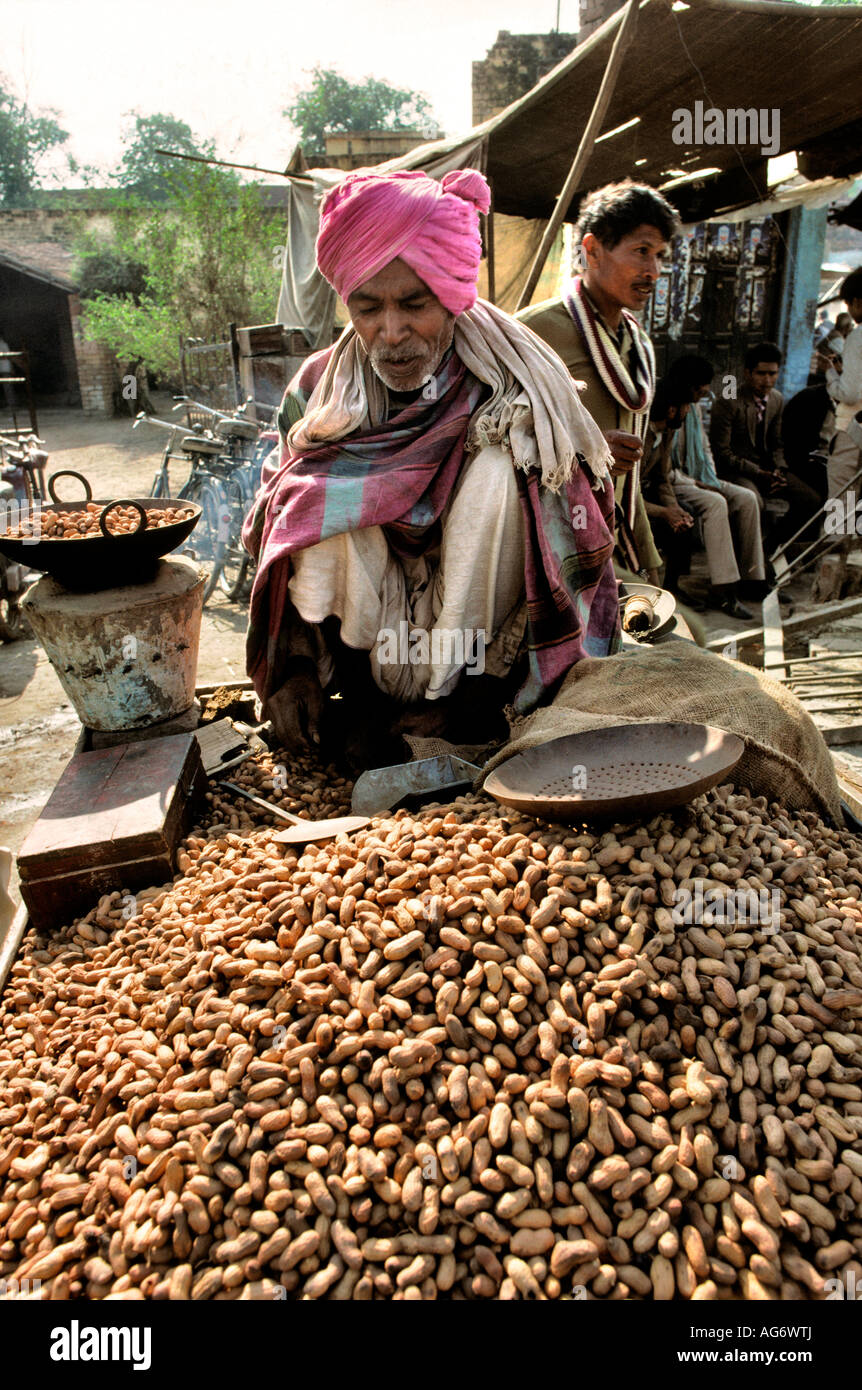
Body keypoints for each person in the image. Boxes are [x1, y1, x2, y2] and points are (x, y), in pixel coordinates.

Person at [243, 167, 620, 769]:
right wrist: (293, 669)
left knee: (508, 461)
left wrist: (478, 698)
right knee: (318, 487)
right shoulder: (319, 390)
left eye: (414, 305)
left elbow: (566, 530)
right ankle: (365, 704)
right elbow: (276, 526)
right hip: (369, 648)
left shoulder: (511, 378)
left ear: (451, 294)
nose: (391, 334)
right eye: (367, 309)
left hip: (479, 650)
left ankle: (467, 705)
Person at [518, 180, 679, 588]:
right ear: (592, 250)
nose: (653, 272)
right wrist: (584, 450)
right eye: (641, 252)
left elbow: (628, 482)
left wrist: (648, 557)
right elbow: (488, 441)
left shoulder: (637, 344)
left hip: (618, 535)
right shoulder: (533, 333)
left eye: (660, 256)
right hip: (550, 541)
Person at [666, 354, 766, 617]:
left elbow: (705, 448)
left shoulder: (694, 409)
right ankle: (724, 589)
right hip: (673, 481)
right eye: (702, 385)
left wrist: (710, 480)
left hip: (699, 477)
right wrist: (698, 484)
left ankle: (752, 579)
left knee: (746, 498)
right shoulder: (666, 406)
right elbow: (662, 467)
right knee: (715, 503)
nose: (707, 390)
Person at [709, 341, 820, 547]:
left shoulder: (776, 399)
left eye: (773, 374)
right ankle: (748, 557)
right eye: (761, 374)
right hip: (736, 471)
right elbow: (721, 452)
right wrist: (758, 472)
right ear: (747, 373)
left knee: (810, 500)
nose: (768, 381)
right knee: (754, 503)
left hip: (768, 471)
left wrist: (780, 470)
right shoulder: (729, 399)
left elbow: (777, 444)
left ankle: (771, 548)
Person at [639, 377, 697, 597]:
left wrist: (675, 511)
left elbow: (662, 478)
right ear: (672, 410)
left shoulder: (668, 431)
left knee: (686, 515)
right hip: (628, 502)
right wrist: (664, 513)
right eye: (686, 407)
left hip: (646, 496)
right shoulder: (641, 433)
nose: (688, 412)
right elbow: (627, 492)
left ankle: (673, 587)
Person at [816, 267, 862, 504]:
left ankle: (836, 540)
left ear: (857, 302)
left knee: (841, 504)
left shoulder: (857, 336)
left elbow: (850, 394)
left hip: (852, 431)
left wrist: (831, 374)